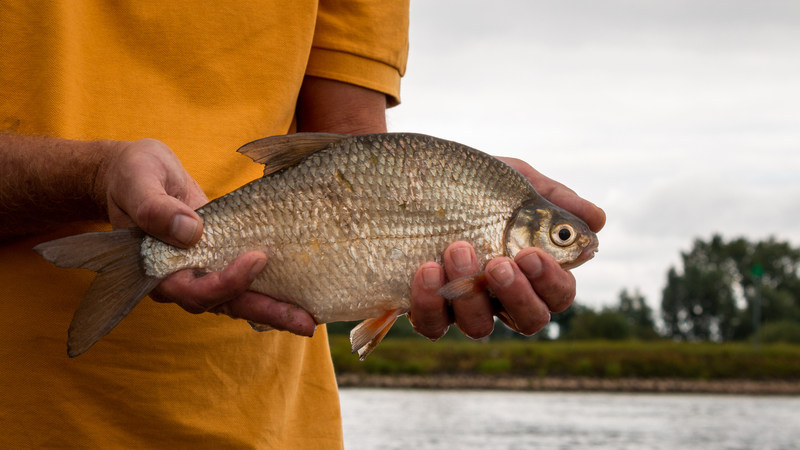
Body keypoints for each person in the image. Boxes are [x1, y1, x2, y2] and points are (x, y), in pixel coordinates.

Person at [0, 1, 605, 448]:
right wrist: (89, 177)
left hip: (273, 426)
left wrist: (420, 239)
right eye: (560, 235)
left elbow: (349, 149)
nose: (571, 245)